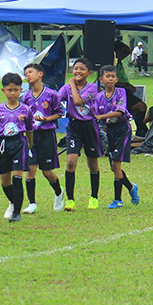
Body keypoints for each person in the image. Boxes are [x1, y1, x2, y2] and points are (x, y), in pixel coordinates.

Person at [93, 65, 139, 209]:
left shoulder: (121, 92)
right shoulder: (99, 97)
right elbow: (95, 115)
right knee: (113, 166)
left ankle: (118, 200)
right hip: (110, 131)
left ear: (117, 79)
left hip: (122, 130)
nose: (110, 79)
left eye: (113, 76)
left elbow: (119, 112)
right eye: (108, 76)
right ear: (101, 79)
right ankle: (131, 187)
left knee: (116, 164)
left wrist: (101, 116)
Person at [22, 62, 65, 212]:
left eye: (30, 72)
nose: (27, 75)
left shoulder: (51, 94)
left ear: (40, 74)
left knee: (47, 172)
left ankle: (59, 193)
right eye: (26, 73)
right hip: (32, 136)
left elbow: (60, 113)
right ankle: (32, 203)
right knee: (30, 169)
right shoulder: (26, 97)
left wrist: (47, 119)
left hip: (47, 135)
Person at [59, 57, 101, 211]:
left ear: (89, 73)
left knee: (92, 164)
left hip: (89, 126)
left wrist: (71, 85)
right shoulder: (65, 88)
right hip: (74, 127)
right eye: (75, 68)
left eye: (82, 69)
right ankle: (70, 200)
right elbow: (56, 100)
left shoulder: (92, 88)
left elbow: (78, 102)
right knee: (70, 162)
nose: (78, 71)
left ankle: (94, 197)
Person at [0, 72, 33, 222]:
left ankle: (16, 213)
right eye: (9, 90)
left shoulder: (25, 109)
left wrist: (30, 144)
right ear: (3, 90)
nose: (13, 93)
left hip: (19, 143)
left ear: (21, 90)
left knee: (17, 177)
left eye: (16, 90)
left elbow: (29, 129)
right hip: (3, 144)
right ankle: (13, 201)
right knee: (5, 181)